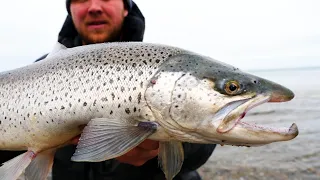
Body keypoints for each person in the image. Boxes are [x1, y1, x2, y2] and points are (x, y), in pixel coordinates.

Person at [0, 0, 216, 179]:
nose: (94, 6)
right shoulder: (37, 73)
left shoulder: (159, 66)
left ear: (125, 7)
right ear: (70, 10)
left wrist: (167, 143)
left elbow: (200, 151)